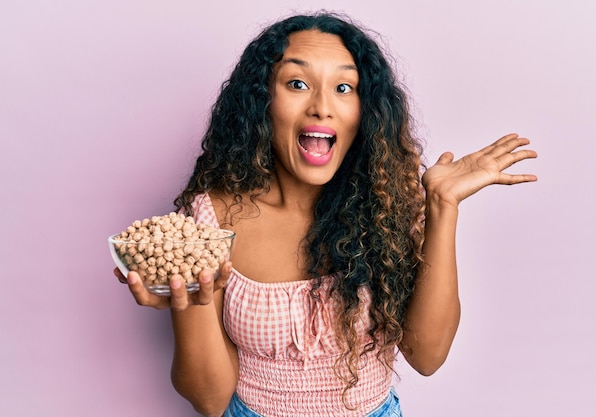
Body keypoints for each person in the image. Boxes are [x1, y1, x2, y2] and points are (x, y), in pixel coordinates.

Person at [114, 11, 537, 417]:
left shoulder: (389, 205)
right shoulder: (210, 219)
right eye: (297, 83)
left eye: (344, 88)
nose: (321, 106)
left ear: (365, 110)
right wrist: (186, 299)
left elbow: (427, 356)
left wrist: (443, 206)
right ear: (262, 101)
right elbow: (208, 400)